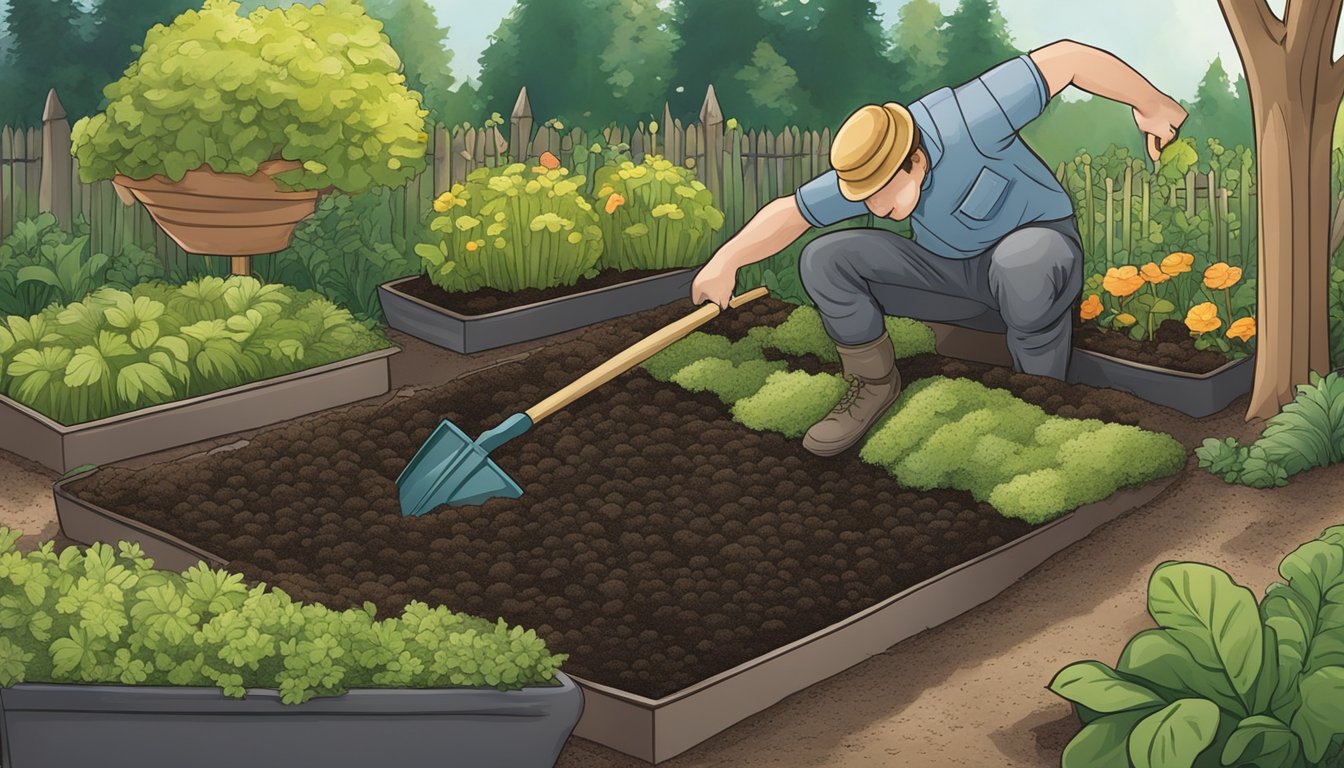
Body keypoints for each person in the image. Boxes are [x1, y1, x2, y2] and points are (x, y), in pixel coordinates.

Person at [690, 40, 1188, 457]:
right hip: (952, 273)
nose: (876, 207)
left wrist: (1152, 103)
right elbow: (791, 211)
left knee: (1023, 262)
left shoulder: (970, 116)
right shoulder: (866, 176)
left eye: (884, 192)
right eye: (865, 197)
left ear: (917, 159)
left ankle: (1040, 401)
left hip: (1039, 258)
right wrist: (725, 261)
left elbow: (1067, 59)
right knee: (825, 257)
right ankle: (874, 385)